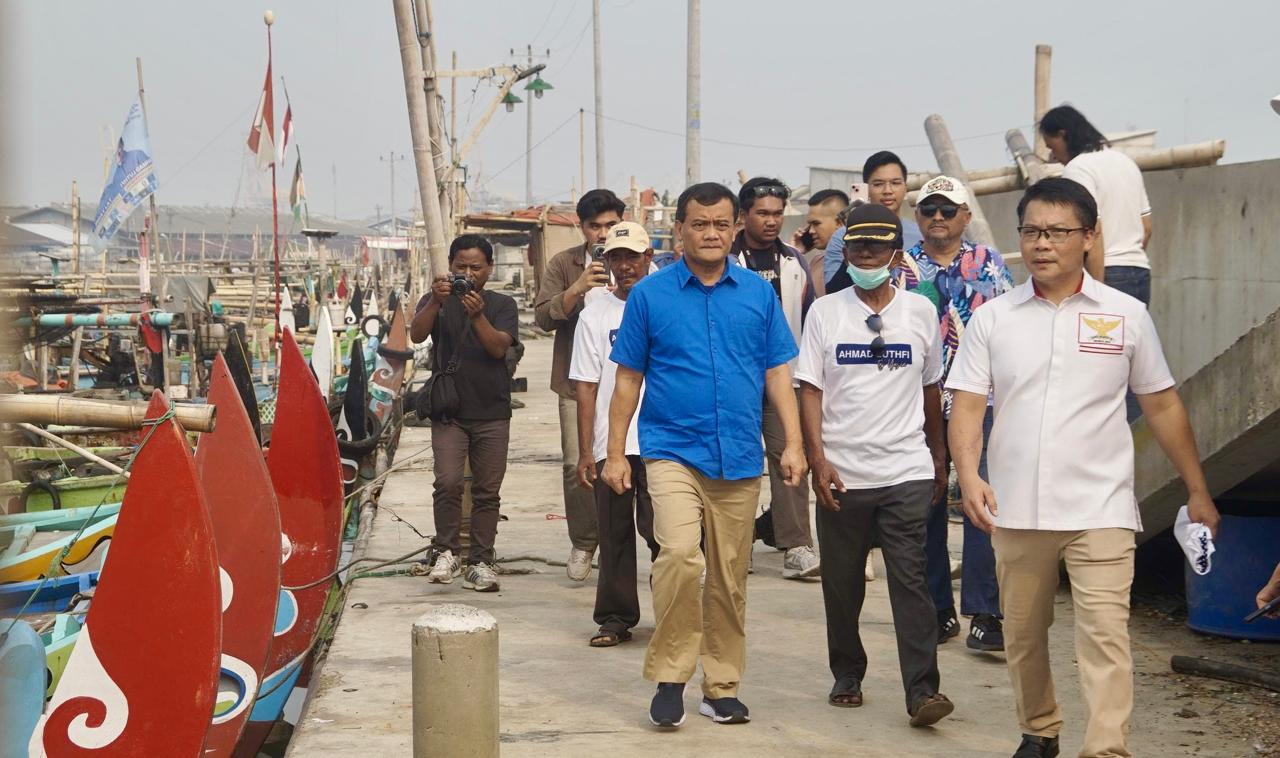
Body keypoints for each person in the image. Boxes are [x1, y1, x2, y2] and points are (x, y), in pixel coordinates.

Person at [945, 178, 1220, 758]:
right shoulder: (994, 319)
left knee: (1105, 636)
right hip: (1015, 509)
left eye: (1057, 232)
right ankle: (1040, 729)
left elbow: (1163, 403)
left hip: (1101, 508)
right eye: (1032, 232)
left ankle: (1105, 749)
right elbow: (967, 404)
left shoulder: (1126, 316)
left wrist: (1198, 489)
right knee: (1022, 635)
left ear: (1089, 236)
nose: (1043, 244)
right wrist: (969, 476)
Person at [603, 182, 807, 729]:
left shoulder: (757, 294)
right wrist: (615, 453)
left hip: (739, 456)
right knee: (677, 556)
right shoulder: (652, 294)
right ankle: (672, 674)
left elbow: (777, 372)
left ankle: (720, 687)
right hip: (671, 449)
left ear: (735, 226)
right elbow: (627, 379)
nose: (711, 233)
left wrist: (794, 442)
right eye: (700, 223)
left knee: (729, 577)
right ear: (680, 228)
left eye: (721, 223)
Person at [796, 202, 954, 728]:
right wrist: (818, 459)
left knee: (911, 581)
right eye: (857, 246)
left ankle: (922, 692)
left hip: (905, 470)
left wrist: (939, 454)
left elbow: (932, 388)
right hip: (844, 473)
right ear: (847, 248)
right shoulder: (825, 311)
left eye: (876, 246)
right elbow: (810, 389)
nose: (866, 254)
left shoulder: (921, 312)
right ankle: (847, 672)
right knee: (843, 585)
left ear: (894, 253)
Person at [893, 175, 1014, 650]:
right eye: (929, 210)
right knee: (926, 506)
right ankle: (937, 608)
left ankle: (987, 612)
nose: (938, 218)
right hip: (917, 403)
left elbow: (1010, 326)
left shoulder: (989, 263)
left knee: (983, 503)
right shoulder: (900, 267)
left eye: (948, 210)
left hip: (979, 401)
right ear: (917, 218)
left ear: (966, 215)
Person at [410, 234, 520, 592]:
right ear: (450, 268)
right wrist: (435, 303)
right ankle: (446, 551)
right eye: (461, 267)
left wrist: (477, 316)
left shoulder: (502, 305)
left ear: (489, 269)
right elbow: (416, 335)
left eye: (476, 267)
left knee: (488, 490)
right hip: (450, 412)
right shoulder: (438, 300)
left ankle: (481, 560)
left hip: (492, 411)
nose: (468, 274)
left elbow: (497, 347)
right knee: (447, 482)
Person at [570, 221, 661, 648]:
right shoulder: (594, 314)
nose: (624, 266)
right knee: (614, 533)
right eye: (616, 258)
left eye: (632, 257)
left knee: (664, 533)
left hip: (663, 438)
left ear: (648, 258)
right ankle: (615, 617)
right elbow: (585, 385)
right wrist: (587, 450)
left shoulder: (669, 303)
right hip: (615, 442)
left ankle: (674, 612)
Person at [534, 189, 625, 581]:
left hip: (632, 381)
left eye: (610, 225)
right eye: (595, 226)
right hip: (577, 383)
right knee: (579, 463)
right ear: (582, 227)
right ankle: (585, 542)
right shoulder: (564, 263)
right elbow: (542, 318)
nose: (603, 234)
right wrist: (577, 289)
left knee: (636, 463)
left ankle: (624, 546)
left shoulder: (640, 260)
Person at [731, 177, 819, 580]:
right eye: (762, 213)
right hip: (737, 379)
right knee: (738, 462)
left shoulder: (793, 262)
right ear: (743, 215)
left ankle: (796, 544)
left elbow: (810, 317)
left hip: (786, 376)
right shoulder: (727, 260)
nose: (771, 221)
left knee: (791, 458)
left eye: (777, 213)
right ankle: (735, 544)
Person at [1040, 105, 1153, 305]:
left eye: (1052, 147)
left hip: (1106, 273)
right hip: (1140, 272)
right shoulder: (1126, 162)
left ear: (1062, 135)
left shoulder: (1078, 169)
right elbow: (1146, 227)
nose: (1053, 156)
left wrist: (1096, 290)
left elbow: (1093, 232)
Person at [823, 151, 923, 292]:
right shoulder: (842, 237)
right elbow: (833, 291)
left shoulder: (921, 236)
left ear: (905, 187)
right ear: (866, 188)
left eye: (895, 183)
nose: (888, 190)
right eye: (878, 184)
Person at [793, 189, 850, 297]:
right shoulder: (816, 262)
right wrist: (794, 253)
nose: (811, 231)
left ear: (839, 222)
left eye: (816, 223)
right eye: (810, 224)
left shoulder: (859, 261)